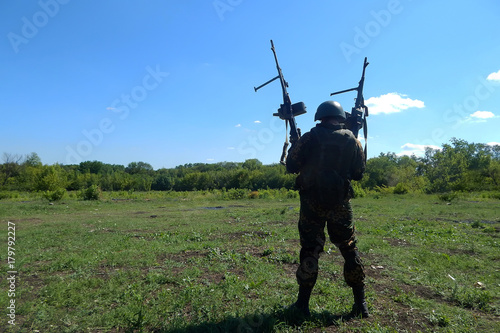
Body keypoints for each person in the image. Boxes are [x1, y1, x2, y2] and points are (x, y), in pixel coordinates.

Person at [285, 100, 368, 318]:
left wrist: (296, 144)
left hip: (312, 203)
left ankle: (302, 305)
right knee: (349, 249)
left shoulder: (310, 137)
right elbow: (359, 173)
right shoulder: (353, 140)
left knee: (310, 251)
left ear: (320, 117)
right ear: (341, 117)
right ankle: (361, 304)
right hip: (340, 204)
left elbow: (291, 165)